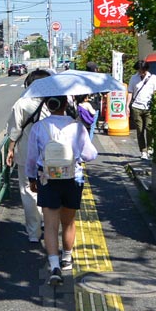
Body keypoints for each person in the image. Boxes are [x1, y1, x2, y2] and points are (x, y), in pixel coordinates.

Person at [26, 95, 99, 286]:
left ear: (48, 105)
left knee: (50, 224)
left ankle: (54, 264)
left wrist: (31, 177)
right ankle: (67, 257)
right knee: (69, 221)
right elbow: (91, 154)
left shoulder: (39, 127)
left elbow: (32, 157)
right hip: (72, 177)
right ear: (65, 104)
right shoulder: (77, 126)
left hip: (47, 178)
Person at [5, 68, 54, 243]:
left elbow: (14, 130)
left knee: (28, 191)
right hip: (53, 154)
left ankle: (34, 233)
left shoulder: (22, 103)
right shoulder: (55, 101)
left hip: (27, 154)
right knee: (50, 189)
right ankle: (48, 227)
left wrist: (10, 149)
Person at [127, 59, 156, 160]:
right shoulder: (133, 78)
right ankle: (143, 151)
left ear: (146, 69)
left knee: (149, 128)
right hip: (136, 107)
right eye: (138, 70)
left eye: (141, 70)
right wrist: (127, 106)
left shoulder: (153, 78)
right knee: (140, 130)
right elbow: (130, 92)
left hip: (149, 107)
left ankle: (150, 147)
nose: (140, 72)